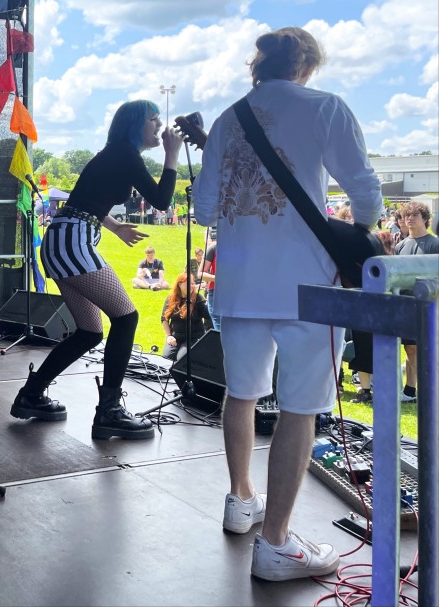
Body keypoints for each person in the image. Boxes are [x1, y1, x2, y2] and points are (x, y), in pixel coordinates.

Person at [193, 27, 382, 582]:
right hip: (308, 284)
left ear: (259, 66)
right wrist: (350, 235)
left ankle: (240, 500)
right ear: (306, 66)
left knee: (242, 392)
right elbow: (367, 196)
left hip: (239, 282)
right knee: (301, 407)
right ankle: (275, 542)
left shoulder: (228, 119)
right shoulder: (326, 107)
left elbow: (204, 211)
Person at [10, 99, 183, 440]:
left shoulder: (116, 153)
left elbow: (87, 198)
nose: (159, 126)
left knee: (90, 332)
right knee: (127, 318)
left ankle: (31, 394)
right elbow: (162, 200)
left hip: (64, 239)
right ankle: (110, 412)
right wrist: (172, 154)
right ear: (135, 124)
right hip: (72, 242)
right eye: (153, 119)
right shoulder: (124, 153)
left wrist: (115, 228)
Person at [393, 200, 439, 403]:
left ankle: (428, 390)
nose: (409, 219)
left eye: (414, 215)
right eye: (406, 216)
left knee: (422, 349)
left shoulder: (434, 244)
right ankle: (410, 390)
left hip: (428, 305)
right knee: (410, 348)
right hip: (405, 305)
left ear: (425, 219)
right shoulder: (400, 245)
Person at [160, 273, 213, 360]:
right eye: (188, 284)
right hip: (175, 337)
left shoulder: (198, 298)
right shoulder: (171, 298)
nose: (191, 286)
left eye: (193, 283)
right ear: (179, 284)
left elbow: (208, 316)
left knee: (182, 359)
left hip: (193, 338)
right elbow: (164, 318)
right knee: (166, 358)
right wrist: (168, 336)